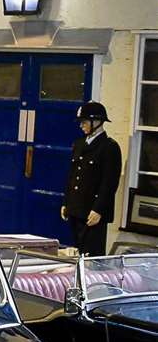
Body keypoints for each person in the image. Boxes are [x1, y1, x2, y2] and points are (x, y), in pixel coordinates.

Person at [62, 101, 121, 256]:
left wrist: (98, 209)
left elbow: (109, 183)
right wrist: (66, 202)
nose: (81, 125)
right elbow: (72, 176)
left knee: (91, 255)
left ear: (97, 122)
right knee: (76, 253)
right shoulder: (79, 144)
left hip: (92, 212)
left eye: (84, 122)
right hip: (77, 208)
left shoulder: (109, 147)